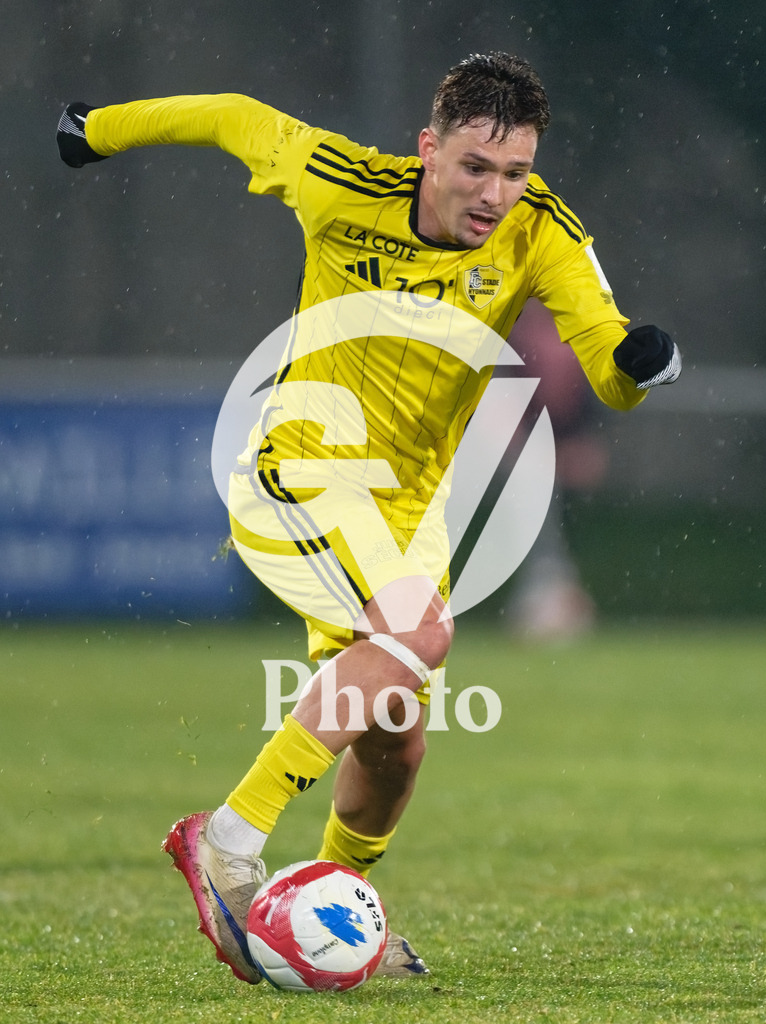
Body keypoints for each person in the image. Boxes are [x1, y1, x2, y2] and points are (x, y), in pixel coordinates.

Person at [56, 52, 681, 984]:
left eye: (515, 172)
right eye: (475, 166)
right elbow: (231, 113)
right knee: (421, 632)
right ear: (429, 149)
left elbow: (607, 364)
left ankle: (321, 915)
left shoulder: (543, 230)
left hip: (406, 508)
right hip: (305, 466)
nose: (496, 193)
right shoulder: (340, 184)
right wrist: (94, 130)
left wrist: (635, 364)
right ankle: (224, 842)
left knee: (395, 746)